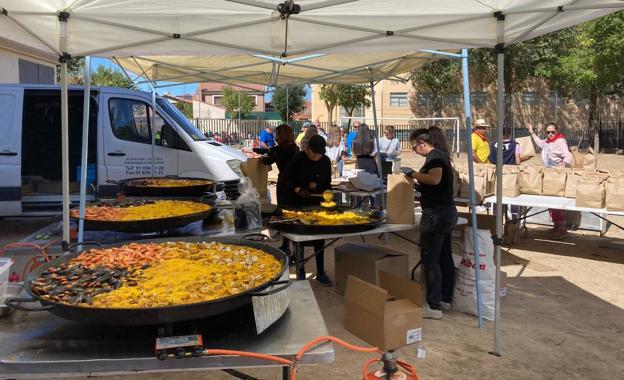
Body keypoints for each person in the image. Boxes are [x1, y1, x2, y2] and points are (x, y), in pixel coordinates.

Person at [401, 126, 457, 320]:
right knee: (443, 257)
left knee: (430, 259)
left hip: (436, 214)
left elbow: (434, 179)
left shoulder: (434, 156)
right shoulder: (441, 155)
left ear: (422, 144)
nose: (415, 151)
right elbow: (434, 185)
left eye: (415, 148)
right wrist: (415, 182)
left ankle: (433, 306)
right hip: (446, 212)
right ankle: (445, 298)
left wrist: (414, 174)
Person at [283, 135, 333, 286]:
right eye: (314, 153)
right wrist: (298, 189)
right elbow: (286, 179)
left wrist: (328, 195)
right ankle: (301, 270)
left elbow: (327, 183)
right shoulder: (298, 159)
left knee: (319, 238)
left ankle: (321, 272)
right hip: (298, 203)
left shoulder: (325, 161)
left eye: (320, 153)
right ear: (308, 150)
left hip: (317, 204)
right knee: (301, 239)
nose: (317, 156)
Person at [528, 122, 572, 239]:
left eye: (552, 132)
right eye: (548, 132)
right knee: (551, 202)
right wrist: (531, 132)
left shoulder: (560, 142)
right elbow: (540, 143)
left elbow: (568, 155)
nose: (550, 134)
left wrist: (563, 163)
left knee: (555, 201)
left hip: (557, 175)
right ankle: (557, 226)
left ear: (556, 131)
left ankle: (561, 228)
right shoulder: (548, 142)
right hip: (549, 173)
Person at [261, 124, 300, 255]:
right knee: (287, 213)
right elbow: (274, 150)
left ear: (283, 135)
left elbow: (269, 160)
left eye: (277, 135)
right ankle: (286, 245)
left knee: (287, 214)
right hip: (288, 182)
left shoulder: (287, 149)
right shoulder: (291, 147)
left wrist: (262, 157)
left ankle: (294, 250)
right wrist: (269, 150)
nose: (275, 137)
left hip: (287, 184)